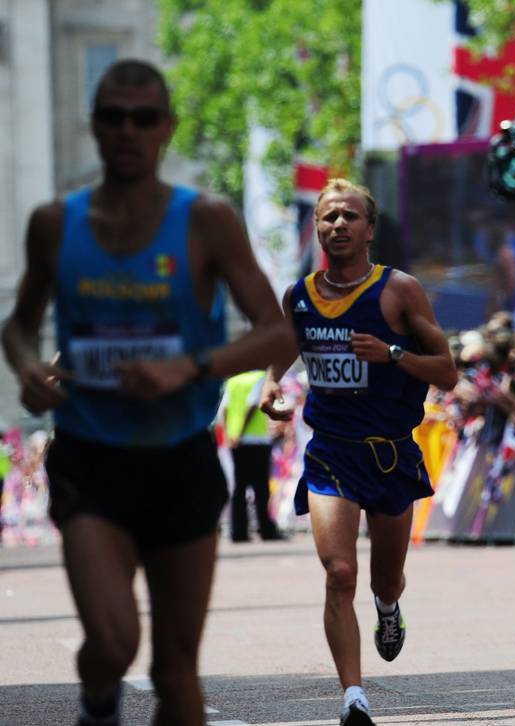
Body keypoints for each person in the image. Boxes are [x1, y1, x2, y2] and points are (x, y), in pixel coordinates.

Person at [0, 59, 293, 726]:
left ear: (167, 129)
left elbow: (276, 334)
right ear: (95, 126)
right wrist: (28, 370)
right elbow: (16, 329)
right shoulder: (54, 224)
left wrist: (191, 367)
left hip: (180, 458)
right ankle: (98, 703)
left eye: (143, 118)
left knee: (174, 673)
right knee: (112, 643)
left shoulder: (208, 221)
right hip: (91, 459)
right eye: (113, 117)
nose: (128, 130)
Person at [259, 178, 457, 725]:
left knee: (383, 579)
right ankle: (353, 696)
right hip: (331, 455)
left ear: (369, 229)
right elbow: (284, 349)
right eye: (328, 217)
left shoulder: (399, 291)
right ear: (317, 228)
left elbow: (448, 372)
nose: (338, 225)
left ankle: (388, 608)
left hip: (391, 455)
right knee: (339, 572)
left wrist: (393, 353)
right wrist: (272, 387)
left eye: (349, 216)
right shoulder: (299, 296)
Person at [218, 370, 285, 542]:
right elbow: (254, 404)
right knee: (261, 487)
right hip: (256, 440)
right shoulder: (260, 378)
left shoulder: (233, 380)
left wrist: (229, 433)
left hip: (235, 441)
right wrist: (241, 432)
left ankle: (238, 532)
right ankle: (266, 530)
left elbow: (224, 408)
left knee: (239, 487)